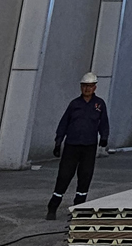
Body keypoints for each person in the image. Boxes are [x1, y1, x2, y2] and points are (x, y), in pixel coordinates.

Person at [47, 72, 109, 220]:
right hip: (72, 145)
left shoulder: (99, 104)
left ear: (95, 87)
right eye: (84, 86)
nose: (87, 89)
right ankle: (52, 207)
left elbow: (104, 122)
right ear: (81, 87)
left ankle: (79, 208)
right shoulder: (74, 104)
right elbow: (64, 123)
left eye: (90, 86)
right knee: (64, 176)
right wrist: (58, 142)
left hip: (89, 146)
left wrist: (104, 137)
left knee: (85, 176)